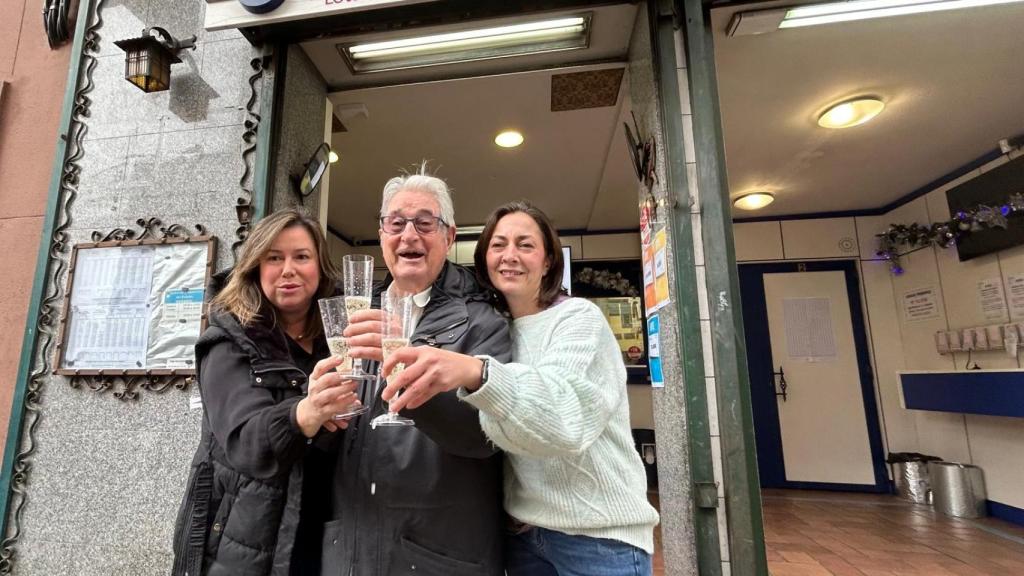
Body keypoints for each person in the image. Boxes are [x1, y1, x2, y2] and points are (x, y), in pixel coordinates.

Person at [379, 200, 660, 576]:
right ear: (484, 260)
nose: (510, 255)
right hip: (524, 537)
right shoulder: (495, 328)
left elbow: (563, 420)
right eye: (498, 245)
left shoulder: (578, 319)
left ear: (547, 261)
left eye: (525, 245)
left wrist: (478, 373)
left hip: (597, 539)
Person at [320, 169, 512, 575]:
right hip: (351, 546)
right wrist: (320, 415)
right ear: (382, 233)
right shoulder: (356, 315)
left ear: (449, 235)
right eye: (396, 223)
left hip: (438, 552)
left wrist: (409, 372)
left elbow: (489, 435)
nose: (409, 235)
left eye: (425, 223)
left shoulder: (482, 322)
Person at [172, 209, 363, 576]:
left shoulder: (340, 338)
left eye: (301, 257)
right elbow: (246, 441)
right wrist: (304, 415)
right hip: (243, 539)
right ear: (256, 269)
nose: (288, 269)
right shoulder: (227, 342)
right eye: (274, 258)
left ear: (320, 267)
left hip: (327, 531)